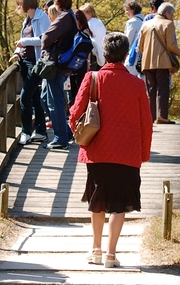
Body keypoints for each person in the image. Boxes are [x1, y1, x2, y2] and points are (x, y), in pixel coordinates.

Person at [68, 32, 152, 268]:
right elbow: (146, 122)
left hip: (98, 151)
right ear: (126, 55)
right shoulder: (137, 84)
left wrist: (82, 136)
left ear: (104, 54)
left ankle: (96, 249)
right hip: (127, 154)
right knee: (119, 204)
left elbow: (75, 113)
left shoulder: (92, 77)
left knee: (98, 201)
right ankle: (111, 254)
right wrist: (143, 153)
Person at [9, 0, 51, 145]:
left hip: (36, 62)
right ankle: (40, 131)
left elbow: (44, 39)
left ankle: (26, 132)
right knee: (34, 97)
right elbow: (22, 43)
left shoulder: (42, 17)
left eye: (19, 4)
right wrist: (16, 53)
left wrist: (24, 42)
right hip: (25, 61)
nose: (18, 8)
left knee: (25, 96)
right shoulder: (27, 20)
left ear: (27, 4)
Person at [137, 2, 180, 124]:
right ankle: (162, 116)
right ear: (166, 13)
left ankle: (150, 117)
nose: (173, 17)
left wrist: (149, 55)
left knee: (151, 90)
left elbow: (140, 46)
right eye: (172, 14)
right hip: (162, 62)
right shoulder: (168, 24)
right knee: (162, 89)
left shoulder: (146, 24)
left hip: (147, 62)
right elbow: (170, 45)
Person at [40, 0, 77, 149]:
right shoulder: (71, 16)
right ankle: (65, 133)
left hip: (55, 64)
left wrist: (46, 42)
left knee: (54, 101)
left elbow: (46, 38)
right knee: (46, 98)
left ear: (58, 3)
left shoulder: (64, 17)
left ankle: (60, 138)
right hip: (61, 64)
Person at [80, 3, 107, 71]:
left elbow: (87, 39)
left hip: (93, 52)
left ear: (89, 13)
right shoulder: (100, 22)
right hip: (101, 52)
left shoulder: (89, 24)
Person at [122, 0, 144, 76]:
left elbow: (128, 40)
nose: (126, 12)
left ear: (133, 10)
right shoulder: (144, 21)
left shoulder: (132, 22)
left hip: (132, 56)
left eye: (127, 10)